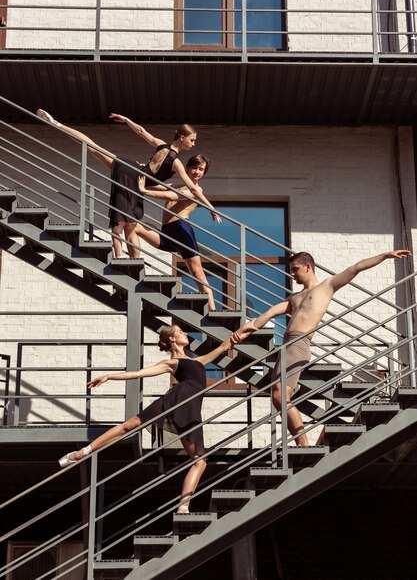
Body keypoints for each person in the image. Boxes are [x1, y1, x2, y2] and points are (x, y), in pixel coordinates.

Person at [58, 324, 245, 513]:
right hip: (175, 399)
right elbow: (139, 373)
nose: (186, 333)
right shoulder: (171, 363)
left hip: (191, 411)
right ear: (172, 339)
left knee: (200, 461)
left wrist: (243, 331)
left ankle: (183, 507)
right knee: (130, 425)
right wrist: (109, 376)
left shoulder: (198, 361)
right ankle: (83, 452)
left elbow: (223, 347)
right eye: (181, 332)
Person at [233, 249, 411, 447]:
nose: (292, 274)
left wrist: (386, 255)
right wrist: (247, 329)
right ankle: (301, 442)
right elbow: (270, 312)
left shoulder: (326, 286)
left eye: (295, 269)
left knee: (280, 395)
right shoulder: (294, 298)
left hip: (298, 344)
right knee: (277, 397)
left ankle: (303, 443)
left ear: (308, 267)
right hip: (286, 344)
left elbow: (356, 267)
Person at [35, 110, 220, 258]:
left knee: (93, 147)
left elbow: (142, 132)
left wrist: (127, 120)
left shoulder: (162, 145)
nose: (193, 144)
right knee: (130, 223)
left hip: (130, 169)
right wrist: (211, 208)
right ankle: (132, 261)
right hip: (134, 180)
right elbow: (194, 188)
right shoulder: (177, 163)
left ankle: (58, 125)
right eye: (192, 140)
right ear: (182, 138)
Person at [136, 154, 216, 310]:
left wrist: (144, 191)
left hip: (181, 230)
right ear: (186, 168)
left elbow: (170, 195)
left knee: (197, 273)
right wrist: (142, 170)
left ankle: (212, 310)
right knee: (136, 226)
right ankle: (132, 262)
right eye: (195, 168)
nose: (197, 172)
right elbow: (153, 184)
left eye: (201, 170)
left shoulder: (196, 190)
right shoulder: (176, 185)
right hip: (167, 232)